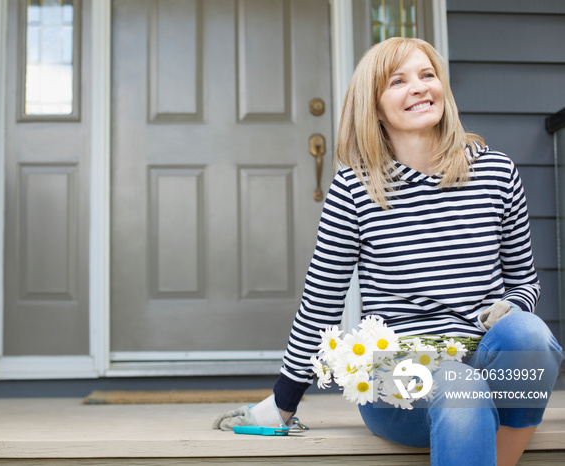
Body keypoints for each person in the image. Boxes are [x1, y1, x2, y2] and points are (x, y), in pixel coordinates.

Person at [213, 37, 563, 466]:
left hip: (484, 363)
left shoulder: (495, 172)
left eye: (427, 75)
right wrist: (283, 402)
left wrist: (509, 306)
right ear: (374, 106)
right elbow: (322, 301)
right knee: (459, 386)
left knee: (529, 335)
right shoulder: (355, 187)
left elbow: (524, 282)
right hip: (396, 377)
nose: (418, 87)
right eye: (398, 81)